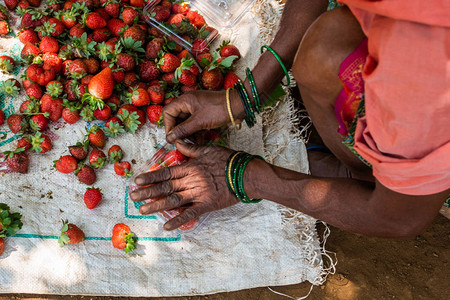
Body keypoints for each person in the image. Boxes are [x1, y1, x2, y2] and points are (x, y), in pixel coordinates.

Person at [130, 0, 450, 237]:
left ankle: (383, 176)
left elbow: (397, 219)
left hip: (427, 93)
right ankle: (358, 165)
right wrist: (243, 96)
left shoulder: (425, 75)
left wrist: (242, 176)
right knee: (325, 42)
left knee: (325, 51)